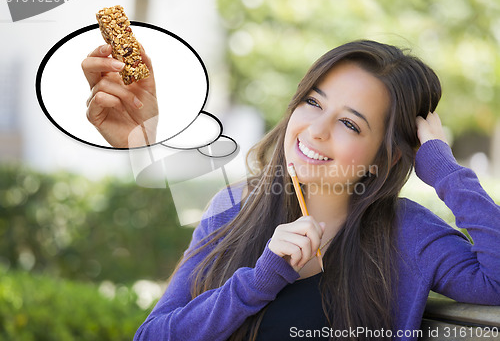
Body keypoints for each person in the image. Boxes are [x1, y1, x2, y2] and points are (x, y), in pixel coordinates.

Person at [82, 40, 500, 340]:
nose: (316, 131)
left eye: (350, 123)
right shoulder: (233, 207)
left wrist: (442, 167)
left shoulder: (407, 233)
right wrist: (260, 281)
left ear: (384, 159)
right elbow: (152, 335)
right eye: (313, 103)